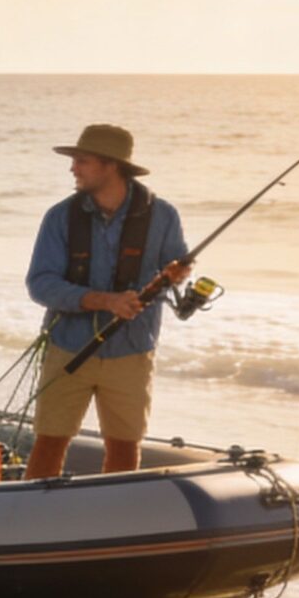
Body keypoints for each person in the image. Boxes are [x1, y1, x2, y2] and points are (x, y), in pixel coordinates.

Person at [23, 125, 191, 478]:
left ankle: (114, 516)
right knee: (50, 441)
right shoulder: (59, 216)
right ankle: (32, 513)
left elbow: (175, 271)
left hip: (132, 349)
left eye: (82, 161)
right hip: (67, 346)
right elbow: (41, 285)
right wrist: (104, 301)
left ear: (110, 165)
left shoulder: (164, 216)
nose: (73, 169)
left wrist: (177, 275)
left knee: (124, 446)